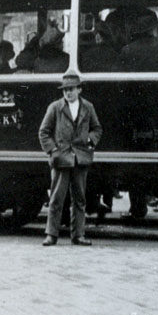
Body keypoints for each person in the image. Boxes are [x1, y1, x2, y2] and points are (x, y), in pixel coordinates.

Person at [38, 73, 103, 246]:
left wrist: (90, 140)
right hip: (61, 158)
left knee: (80, 199)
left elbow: (97, 128)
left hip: (80, 158)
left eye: (72, 89)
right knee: (57, 198)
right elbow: (43, 132)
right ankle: (51, 234)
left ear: (79, 90)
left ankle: (78, 235)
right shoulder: (55, 107)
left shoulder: (88, 107)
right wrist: (53, 151)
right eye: (65, 90)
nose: (68, 93)